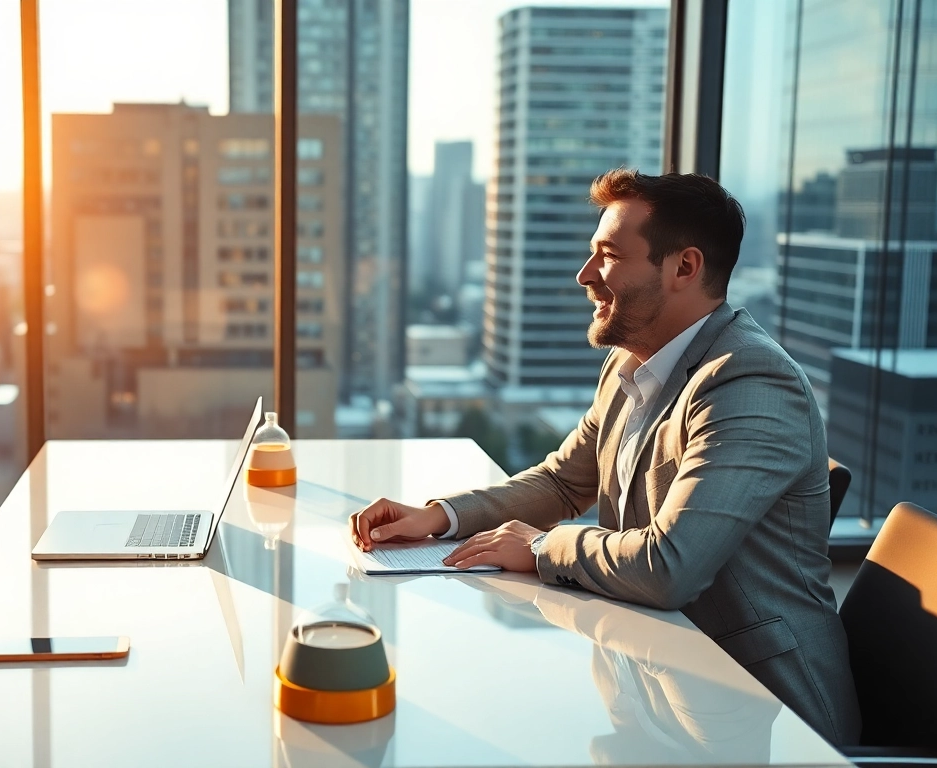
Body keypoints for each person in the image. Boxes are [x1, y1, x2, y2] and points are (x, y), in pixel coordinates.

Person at [349, 170, 860, 745]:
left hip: (765, 717)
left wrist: (541, 546)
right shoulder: (629, 365)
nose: (585, 275)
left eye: (609, 255)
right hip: (660, 679)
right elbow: (562, 483)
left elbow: (671, 567)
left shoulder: (749, 381)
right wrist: (439, 516)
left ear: (683, 268)